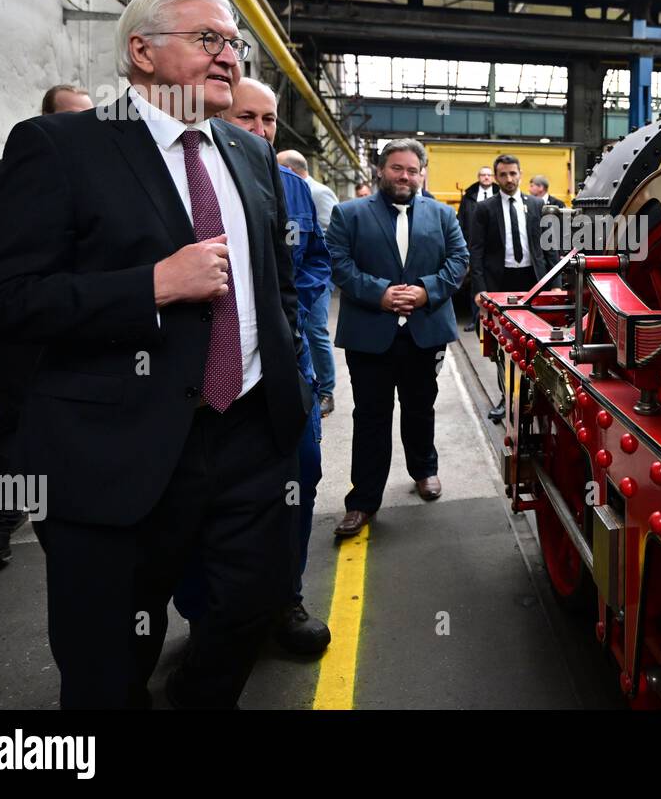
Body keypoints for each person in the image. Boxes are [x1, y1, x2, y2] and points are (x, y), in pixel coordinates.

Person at [0, 0, 311, 709]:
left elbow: (275, 286)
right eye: (208, 40)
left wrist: (290, 389)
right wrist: (148, 286)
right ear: (141, 52)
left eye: (234, 43)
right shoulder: (60, 147)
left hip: (250, 441)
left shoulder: (250, 156)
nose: (228, 56)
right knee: (108, 664)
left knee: (249, 610)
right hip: (116, 453)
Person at [186, 76, 330, 655]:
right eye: (249, 117)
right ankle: (206, 617)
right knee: (203, 506)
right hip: (202, 385)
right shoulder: (187, 177)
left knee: (300, 480)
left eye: (269, 121)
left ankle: (285, 597)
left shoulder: (291, 187)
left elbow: (312, 261)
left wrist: (289, 321)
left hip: (283, 373)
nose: (260, 131)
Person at [0, 81, 91, 572]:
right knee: (14, 420)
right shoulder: (23, 167)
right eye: (70, 116)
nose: (81, 127)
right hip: (33, 320)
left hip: (87, 318)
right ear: (46, 120)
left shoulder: (107, 172)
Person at [328, 139, 468, 536]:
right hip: (370, 335)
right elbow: (339, 263)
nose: (404, 176)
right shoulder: (349, 214)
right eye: (396, 168)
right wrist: (380, 294)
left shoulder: (443, 215)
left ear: (423, 173)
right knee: (370, 416)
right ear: (380, 170)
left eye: (412, 169)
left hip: (423, 334)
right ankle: (363, 501)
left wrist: (425, 290)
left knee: (420, 407)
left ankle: (424, 470)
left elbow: (459, 261)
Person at [470, 155, 557, 422]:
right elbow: (476, 252)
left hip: (532, 281)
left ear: (521, 174)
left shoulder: (536, 205)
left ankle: (537, 397)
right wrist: (480, 290)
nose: (509, 179)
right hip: (500, 283)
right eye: (503, 175)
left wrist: (554, 285)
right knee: (502, 344)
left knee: (536, 343)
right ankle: (507, 398)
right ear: (496, 178)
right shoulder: (484, 209)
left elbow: (549, 246)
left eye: (513, 174)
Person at [278, 149, 339, 417]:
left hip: (314, 278)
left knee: (315, 331)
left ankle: (326, 390)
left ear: (291, 169)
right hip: (293, 278)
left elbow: (329, 236)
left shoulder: (318, 192)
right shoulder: (283, 188)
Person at [457, 166, 496, 331]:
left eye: (489, 175)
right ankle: (475, 319)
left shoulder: (499, 195)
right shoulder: (469, 196)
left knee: (494, 284)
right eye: (483, 175)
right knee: (475, 283)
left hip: (494, 246)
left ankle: (494, 320)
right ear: (479, 177)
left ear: (493, 177)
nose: (486, 177)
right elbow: (461, 221)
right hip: (473, 245)